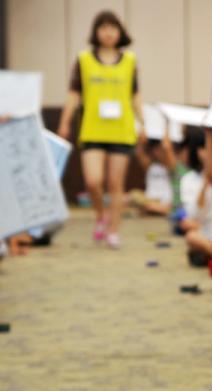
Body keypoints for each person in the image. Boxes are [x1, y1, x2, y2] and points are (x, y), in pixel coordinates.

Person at [58, 10, 144, 249]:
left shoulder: (130, 61)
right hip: (93, 129)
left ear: (120, 32)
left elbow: (135, 95)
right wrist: (64, 122)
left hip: (121, 130)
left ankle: (114, 230)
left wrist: (143, 123)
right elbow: (74, 94)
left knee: (116, 184)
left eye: (113, 27)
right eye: (103, 27)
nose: (108, 32)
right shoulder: (84, 59)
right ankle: (100, 215)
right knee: (93, 181)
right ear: (96, 32)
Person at [182, 130, 212, 263]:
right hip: (207, 233)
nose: (211, 153)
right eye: (204, 148)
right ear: (196, 151)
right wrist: (204, 185)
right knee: (191, 237)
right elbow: (194, 215)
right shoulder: (188, 179)